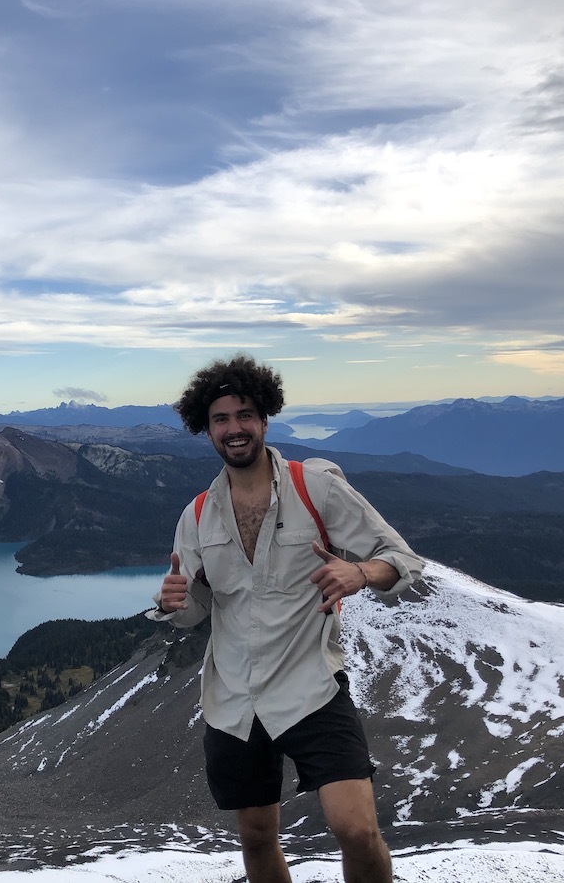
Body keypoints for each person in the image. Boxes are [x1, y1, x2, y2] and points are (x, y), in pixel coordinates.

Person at [149, 354, 424, 883]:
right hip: (233, 696)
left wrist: (360, 573)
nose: (234, 429)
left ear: (265, 419)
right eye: (221, 419)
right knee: (256, 836)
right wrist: (174, 606)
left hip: (311, 685)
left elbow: (402, 560)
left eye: (244, 415)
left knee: (357, 829)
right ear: (205, 430)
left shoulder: (313, 487)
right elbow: (199, 609)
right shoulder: (198, 513)